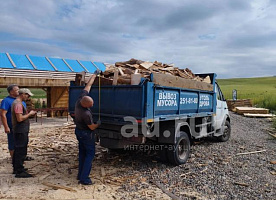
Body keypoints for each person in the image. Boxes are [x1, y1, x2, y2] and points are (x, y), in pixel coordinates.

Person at [74, 71, 101, 185]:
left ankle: (80, 174)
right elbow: (91, 127)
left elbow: (88, 86)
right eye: (91, 105)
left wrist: (94, 74)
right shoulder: (86, 114)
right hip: (86, 133)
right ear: (86, 105)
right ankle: (84, 179)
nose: (92, 106)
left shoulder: (80, 99)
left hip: (78, 132)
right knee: (90, 154)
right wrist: (99, 124)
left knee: (82, 153)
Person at [12, 88, 37, 178]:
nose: (28, 97)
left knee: (18, 149)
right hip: (20, 130)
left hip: (19, 129)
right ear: (23, 94)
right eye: (27, 95)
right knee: (21, 150)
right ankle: (19, 171)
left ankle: (16, 168)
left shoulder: (16, 103)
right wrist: (29, 114)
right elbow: (20, 119)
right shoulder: (18, 104)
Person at [0, 84, 21, 159]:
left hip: (20, 126)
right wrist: (6, 127)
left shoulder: (19, 100)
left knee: (20, 142)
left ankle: (20, 157)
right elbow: (3, 114)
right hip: (12, 125)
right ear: (11, 92)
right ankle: (13, 159)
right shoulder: (6, 101)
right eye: (16, 90)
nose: (19, 91)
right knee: (12, 142)